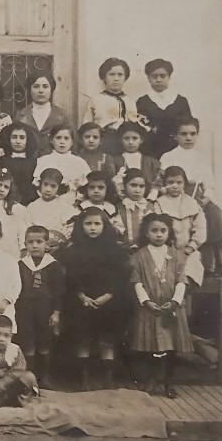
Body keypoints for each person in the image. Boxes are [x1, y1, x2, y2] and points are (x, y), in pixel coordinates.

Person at [61, 205, 132, 390]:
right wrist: (81, 296)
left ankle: (107, 379)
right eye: (88, 224)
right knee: (83, 338)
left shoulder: (115, 250)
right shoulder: (73, 251)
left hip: (109, 301)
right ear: (81, 226)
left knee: (106, 340)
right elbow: (70, 277)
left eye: (97, 224)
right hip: (81, 302)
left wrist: (108, 295)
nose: (92, 227)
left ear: (104, 226)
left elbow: (122, 276)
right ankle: (84, 379)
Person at [129, 213, 192, 397]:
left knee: (170, 348)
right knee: (150, 347)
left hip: (170, 309)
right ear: (146, 233)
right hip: (149, 309)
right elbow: (136, 281)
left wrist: (174, 302)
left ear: (169, 232)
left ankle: (169, 383)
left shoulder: (176, 255)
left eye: (163, 230)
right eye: (154, 230)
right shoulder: (139, 256)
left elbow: (182, 280)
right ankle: (151, 381)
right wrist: (146, 301)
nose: (159, 234)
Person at [157, 117, 222, 275]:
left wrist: (205, 199)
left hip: (198, 198)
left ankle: (215, 262)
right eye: (183, 134)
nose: (188, 138)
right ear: (175, 136)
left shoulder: (201, 157)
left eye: (193, 134)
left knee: (214, 215)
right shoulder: (167, 157)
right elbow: (162, 183)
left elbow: (209, 184)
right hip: (175, 199)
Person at [16, 225, 66, 386]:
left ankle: (44, 377)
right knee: (28, 341)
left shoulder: (53, 265)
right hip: (25, 309)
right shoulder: (21, 264)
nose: (35, 245)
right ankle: (29, 378)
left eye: (39, 241)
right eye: (30, 242)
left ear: (47, 244)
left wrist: (56, 312)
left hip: (45, 309)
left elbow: (59, 291)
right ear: (25, 244)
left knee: (44, 342)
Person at [152, 166, 206, 286]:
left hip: (188, 252)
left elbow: (201, 230)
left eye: (179, 182)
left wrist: (189, 249)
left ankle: (183, 299)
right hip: (166, 251)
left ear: (184, 184)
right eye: (170, 182)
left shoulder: (192, 203)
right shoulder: (159, 203)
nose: (175, 186)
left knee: (190, 273)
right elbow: (158, 229)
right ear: (164, 184)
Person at [134, 58, 194, 159]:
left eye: (162, 76)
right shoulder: (142, 102)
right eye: (154, 76)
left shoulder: (180, 101)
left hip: (175, 150)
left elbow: (188, 126)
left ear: (169, 77)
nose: (158, 79)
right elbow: (139, 129)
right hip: (150, 151)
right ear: (148, 78)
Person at [80, 58, 134, 154]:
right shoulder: (96, 100)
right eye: (111, 74)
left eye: (120, 75)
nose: (116, 78)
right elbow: (86, 126)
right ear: (104, 77)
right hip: (103, 144)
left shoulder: (130, 101)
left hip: (125, 144)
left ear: (125, 77)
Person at [14, 71, 71, 156]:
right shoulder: (20, 116)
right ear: (30, 89)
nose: (41, 91)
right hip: (27, 162)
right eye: (36, 87)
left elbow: (71, 141)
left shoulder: (62, 115)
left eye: (45, 86)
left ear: (51, 89)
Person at [103, 121, 162, 201]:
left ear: (141, 140)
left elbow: (157, 183)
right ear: (120, 140)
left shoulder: (151, 162)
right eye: (126, 138)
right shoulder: (113, 161)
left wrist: (151, 196)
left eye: (135, 138)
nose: (130, 142)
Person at [26, 168, 76, 249]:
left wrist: (59, 242)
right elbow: (27, 227)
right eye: (45, 184)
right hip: (36, 245)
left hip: (58, 247)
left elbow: (69, 228)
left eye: (53, 186)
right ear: (40, 184)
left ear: (58, 188)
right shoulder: (32, 206)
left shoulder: (65, 207)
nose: (48, 189)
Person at [33, 123, 91, 194]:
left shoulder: (80, 162)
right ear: (51, 140)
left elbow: (87, 185)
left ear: (72, 142)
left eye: (66, 138)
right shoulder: (43, 161)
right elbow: (38, 185)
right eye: (58, 138)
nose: (62, 142)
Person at [0, 123, 39, 205]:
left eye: (22, 138)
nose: (18, 141)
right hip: (7, 199)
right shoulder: (3, 160)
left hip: (30, 200)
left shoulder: (35, 162)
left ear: (28, 140)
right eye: (14, 137)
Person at [115, 168, 155, 250]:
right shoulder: (118, 207)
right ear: (124, 186)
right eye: (133, 185)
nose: (137, 190)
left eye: (141, 186)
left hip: (144, 249)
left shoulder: (149, 207)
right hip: (123, 250)